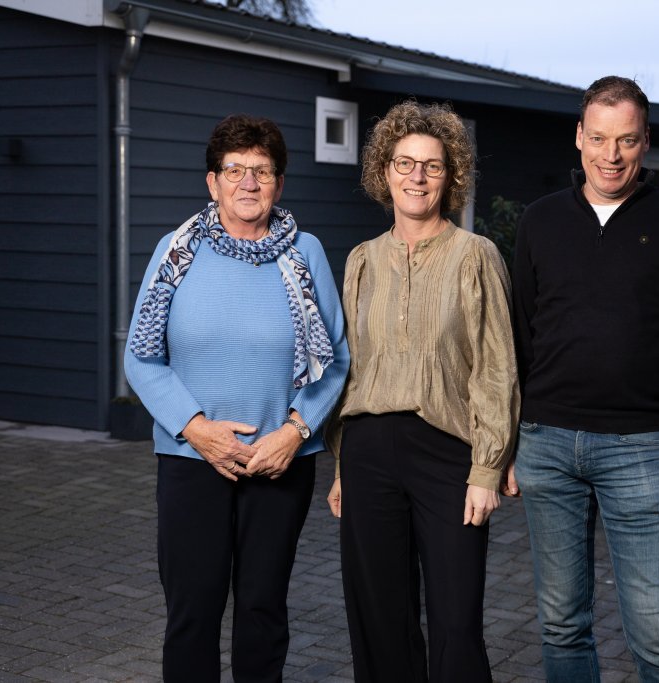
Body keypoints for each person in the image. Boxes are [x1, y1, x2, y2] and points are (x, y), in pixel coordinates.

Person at [505, 76, 659, 682]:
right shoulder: (540, 221)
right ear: (578, 137)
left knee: (656, 632)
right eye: (599, 138)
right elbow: (518, 341)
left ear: (646, 141)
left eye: (626, 140)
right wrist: (508, 445)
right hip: (546, 445)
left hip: (639, 452)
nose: (611, 155)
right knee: (561, 624)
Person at [125, 114, 349, 682]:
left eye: (263, 170)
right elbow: (141, 357)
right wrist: (196, 428)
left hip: (279, 462)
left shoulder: (307, 253)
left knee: (262, 608)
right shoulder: (175, 252)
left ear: (278, 182)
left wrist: (295, 431)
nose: (249, 183)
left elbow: (335, 358)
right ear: (212, 182)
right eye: (235, 170)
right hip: (190, 459)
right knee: (192, 611)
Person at [325, 100, 519, 683]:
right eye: (405, 163)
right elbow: (350, 368)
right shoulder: (361, 260)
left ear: (451, 176)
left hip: (447, 455)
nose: (417, 177)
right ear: (383, 171)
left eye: (432, 167)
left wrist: (489, 468)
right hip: (367, 451)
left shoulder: (475, 255)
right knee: (380, 620)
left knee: (457, 623)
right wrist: (341, 464)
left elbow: (496, 365)